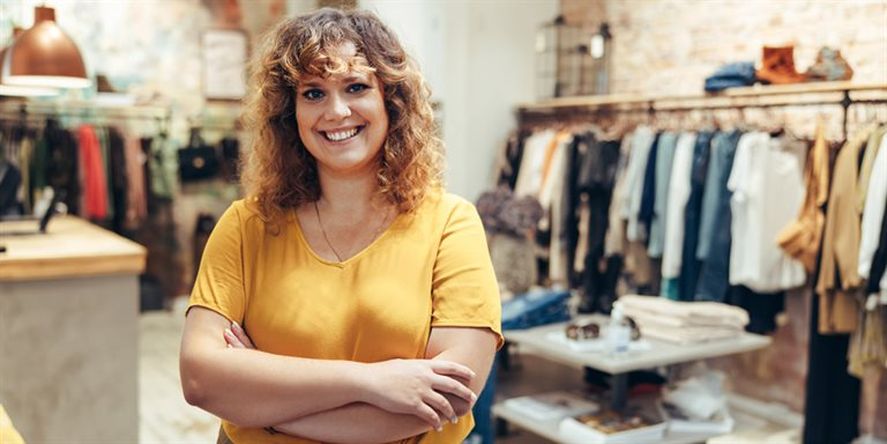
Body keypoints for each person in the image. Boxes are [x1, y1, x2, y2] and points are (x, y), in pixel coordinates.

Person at [179, 7, 503, 444]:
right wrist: (372, 382)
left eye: (355, 87)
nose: (336, 111)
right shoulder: (246, 224)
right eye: (313, 93)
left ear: (391, 100)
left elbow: (448, 398)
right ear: (288, 112)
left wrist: (260, 408)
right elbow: (200, 380)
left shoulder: (451, 224)